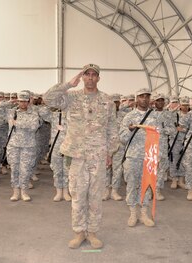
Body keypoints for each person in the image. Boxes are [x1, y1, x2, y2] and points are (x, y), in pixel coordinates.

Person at [43, 64, 119, 249]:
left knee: (94, 196)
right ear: (83, 77)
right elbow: (47, 99)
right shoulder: (71, 98)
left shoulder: (107, 101)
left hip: (98, 156)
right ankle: (79, 232)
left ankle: (92, 232)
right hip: (76, 155)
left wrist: (110, 152)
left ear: (98, 78)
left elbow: (112, 128)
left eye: (94, 75)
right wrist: (68, 84)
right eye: (87, 74)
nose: (91, 78)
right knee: (77, 195)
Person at [0, 90, 45, 201]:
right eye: (20, 101)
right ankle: (16, 192)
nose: (23, 104)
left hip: (28, 146)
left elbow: (34, 126)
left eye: (25, 101)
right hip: (13, 146)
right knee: (15, 169)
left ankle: (24, 191)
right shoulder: (11, 112)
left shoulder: (33, 113)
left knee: (25, 169)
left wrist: (17, 123)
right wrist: (9, 102)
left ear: (28, 102)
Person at [120, 88, 159, 228]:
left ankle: (143, 214)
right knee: (131, 184)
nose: (144, 99)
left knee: (146, 186)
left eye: (147, 97)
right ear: (137, 99)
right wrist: (129, 130)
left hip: (149, 157)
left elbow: (160, 137)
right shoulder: (129, 117)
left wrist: (157, 158)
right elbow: (122, 138)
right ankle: (133, 213)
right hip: (132, 157)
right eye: (141, 97)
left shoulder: (155, 117)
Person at [49, 108, 71, 202]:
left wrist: (65, 129)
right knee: (57, 170)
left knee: (67, 170)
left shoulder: (73, 115)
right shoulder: (54, 115)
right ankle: (58, 192)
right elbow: (42, 111)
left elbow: (79, 129)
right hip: (56, 147)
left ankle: (66, 192)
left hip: (69, 147)